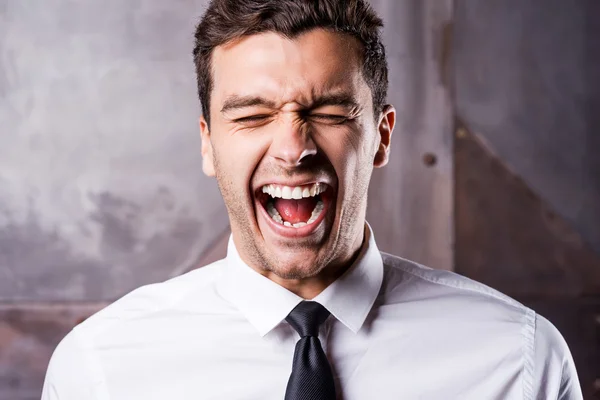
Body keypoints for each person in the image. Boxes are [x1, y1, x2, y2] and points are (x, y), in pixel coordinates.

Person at [41, 0, 583, 399]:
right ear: (208, 143)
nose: (293, 148)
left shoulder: (520, 362)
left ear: (381, 136)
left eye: (327, 112)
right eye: (253, 115)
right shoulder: (100, 372)